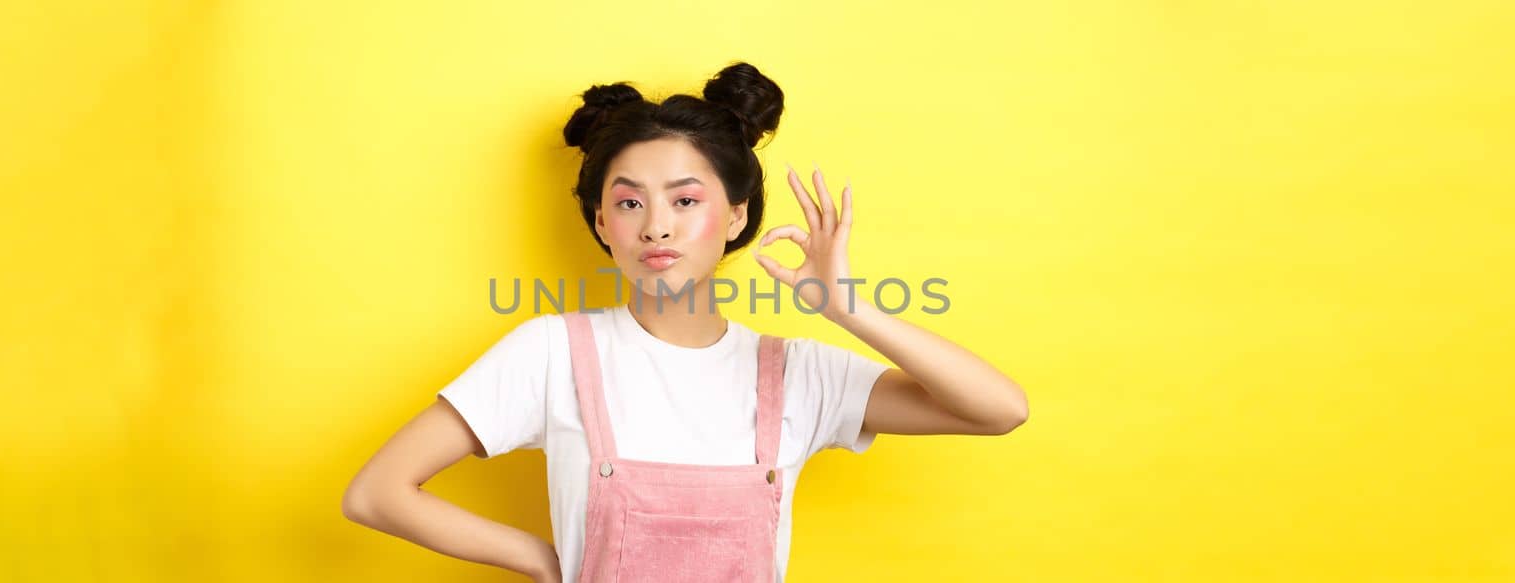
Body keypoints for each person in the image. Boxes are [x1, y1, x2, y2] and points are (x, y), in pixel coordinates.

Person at [341, 61, 1030, 583]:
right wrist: (538, 557)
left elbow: (999, 409)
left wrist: (848, 308)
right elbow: (376, 493)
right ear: (601, 223)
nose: (658, 225)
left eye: (685, 199)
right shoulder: (551, 352)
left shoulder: (797, 373)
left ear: (734, 217)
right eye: (630, 202)